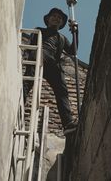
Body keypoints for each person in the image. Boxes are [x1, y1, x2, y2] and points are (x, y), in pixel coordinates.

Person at [23, 7, 79, 135]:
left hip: (53, 64)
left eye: (59, 18)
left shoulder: (62, 38)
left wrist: (76, 32)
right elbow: (30, 45)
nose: (56, 19)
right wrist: (27, 56)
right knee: (28, 82)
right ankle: (19, 103)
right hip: (39, 55)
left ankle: (68, 123)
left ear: (61, 23)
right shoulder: (39, 31)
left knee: (62, 91)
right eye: (53, 16)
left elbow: (73, 51)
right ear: (48, 19)